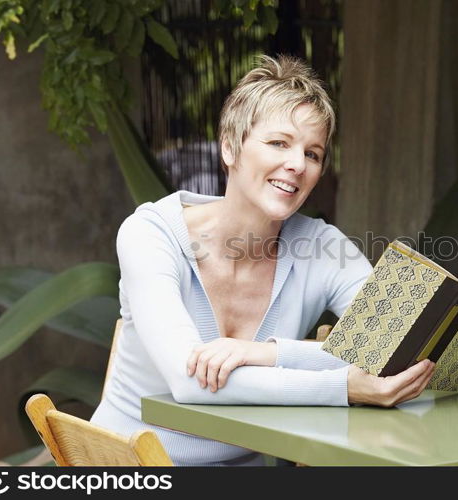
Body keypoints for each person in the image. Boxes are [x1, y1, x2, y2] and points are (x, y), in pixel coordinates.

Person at [91, 55, 436, 466]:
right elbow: (189, 382)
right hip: (127, 465)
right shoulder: (151, 234)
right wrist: (343, 387)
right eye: (278, 143)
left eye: (313, 153)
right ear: (230, 147)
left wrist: (266, 353)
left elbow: (399, 345)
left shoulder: (321, 246)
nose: (296, 164)